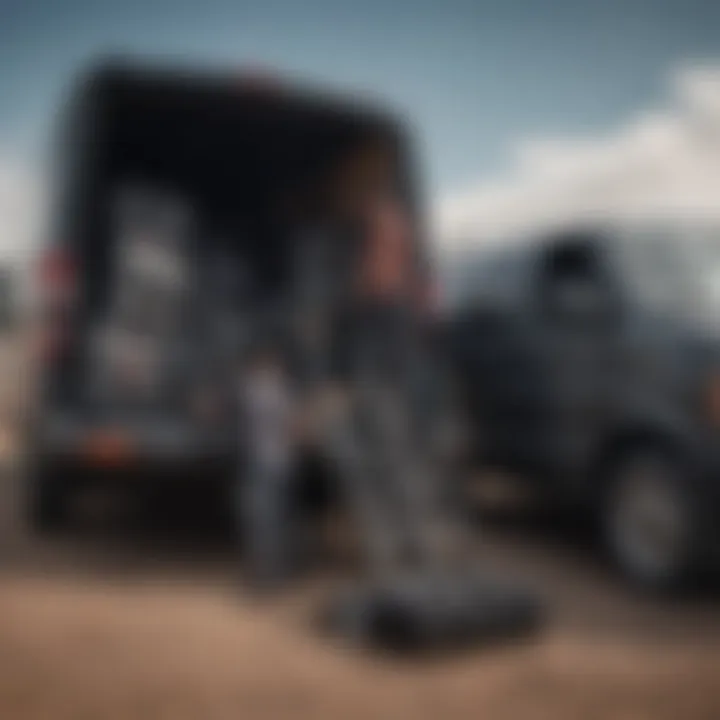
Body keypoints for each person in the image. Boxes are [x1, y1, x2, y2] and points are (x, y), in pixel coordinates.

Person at [237, 338, 297, 590]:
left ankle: (267, 577)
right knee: (269, 521)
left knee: (263, 521)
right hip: (276, 461)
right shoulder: (279, 389)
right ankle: (270, 575)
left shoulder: (262, 389)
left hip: (266, 463)